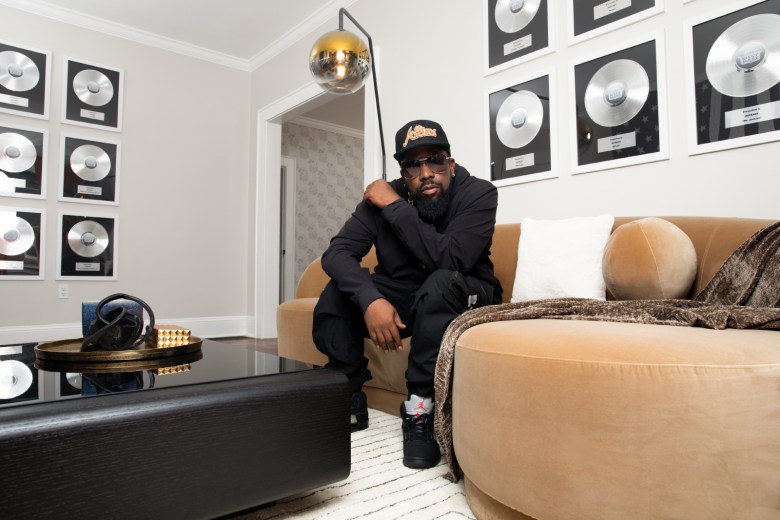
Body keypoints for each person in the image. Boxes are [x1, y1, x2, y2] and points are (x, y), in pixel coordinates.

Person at [312, 119, 502, 469]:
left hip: (464, 291)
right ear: (403, 173)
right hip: (408, 295)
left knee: (440, 282)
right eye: (413, 165)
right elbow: (337, 253)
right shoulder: (380, 200)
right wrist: (371, 299)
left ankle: (420, 409)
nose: (426, 173)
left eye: (436, 161)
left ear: (451, 164)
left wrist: (394, 206)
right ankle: (348, 392)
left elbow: (452, 259)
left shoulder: (479, 193)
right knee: (338, 292)